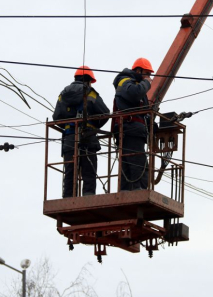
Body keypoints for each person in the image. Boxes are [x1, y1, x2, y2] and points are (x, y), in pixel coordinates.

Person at [53, 66, 110, 198]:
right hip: (87, 137)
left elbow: (56, 117)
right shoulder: (89, 92)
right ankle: (88, 197)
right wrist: (94, 125)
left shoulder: (63, 94)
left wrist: (68, 126)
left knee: (70, 172)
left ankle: (68, 198)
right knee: (89, 172)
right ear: (88, 80)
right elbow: (105, 113)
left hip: (69, 139)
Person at [112, 57, 154, 191]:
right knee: (137, 163)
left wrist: (152, 125)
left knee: (131, 162)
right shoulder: (125, 81)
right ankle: (138, 191)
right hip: (130, 129)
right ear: (138, 70)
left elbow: (144, 111)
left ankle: (127, 191)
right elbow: (133, 94)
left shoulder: (137, 86)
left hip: (134, 130)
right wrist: (146, 84)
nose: (148, 77)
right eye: (147, 73)